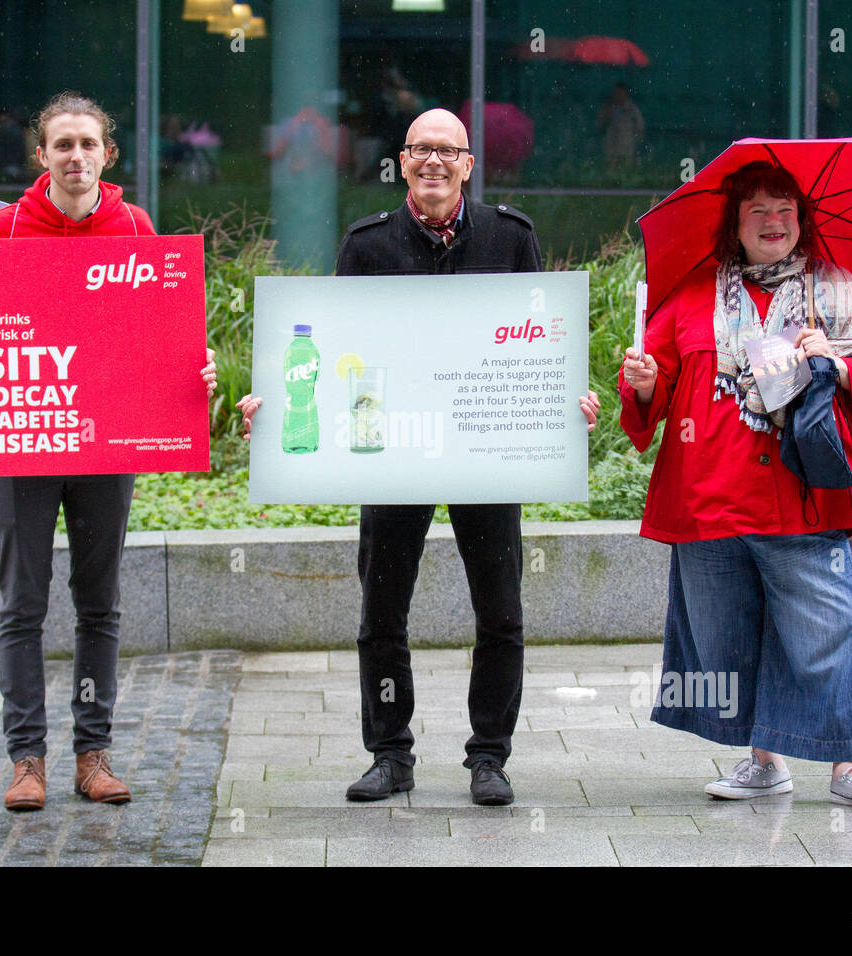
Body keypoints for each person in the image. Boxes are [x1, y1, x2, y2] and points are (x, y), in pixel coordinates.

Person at [0, 91, 218, 811]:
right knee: (22, 605)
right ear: (42, 155)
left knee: (100, 604)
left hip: (107, 440)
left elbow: (156, 335)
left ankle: (94, 755)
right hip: (22, 437)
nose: (77, 156)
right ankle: (28, 760)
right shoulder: (4, 229)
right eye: (63, 144)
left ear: (107, 154)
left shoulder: (136, 228)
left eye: (89, 143)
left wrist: (195, 365)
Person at [237, 108, 600, 806]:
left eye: (448, 151)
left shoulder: (508, 236)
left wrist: (564, 398)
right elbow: (336, 355)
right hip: (393, 448)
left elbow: (537, 342)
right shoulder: (368, 246)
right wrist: (276, 406)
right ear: (402, 162)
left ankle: (489, 755)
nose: (433, 162)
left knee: (501, 611)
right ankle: (390, 753)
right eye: (420, 150)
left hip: (485, 447)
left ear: (468, 164)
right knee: (382, 610)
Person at [619, 160, 852, 811]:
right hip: (707, 504)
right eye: (758, 211)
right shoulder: (690, 296)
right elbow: (652, 393)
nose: (773, 222)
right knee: (728, 640)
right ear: (736, 224)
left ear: (800, 220)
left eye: (784, 210)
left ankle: (847, 766)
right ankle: (763, 763)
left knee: (828, 632)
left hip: (805, 498)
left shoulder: (837, 296)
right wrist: (640, 384)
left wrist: (834, 360)